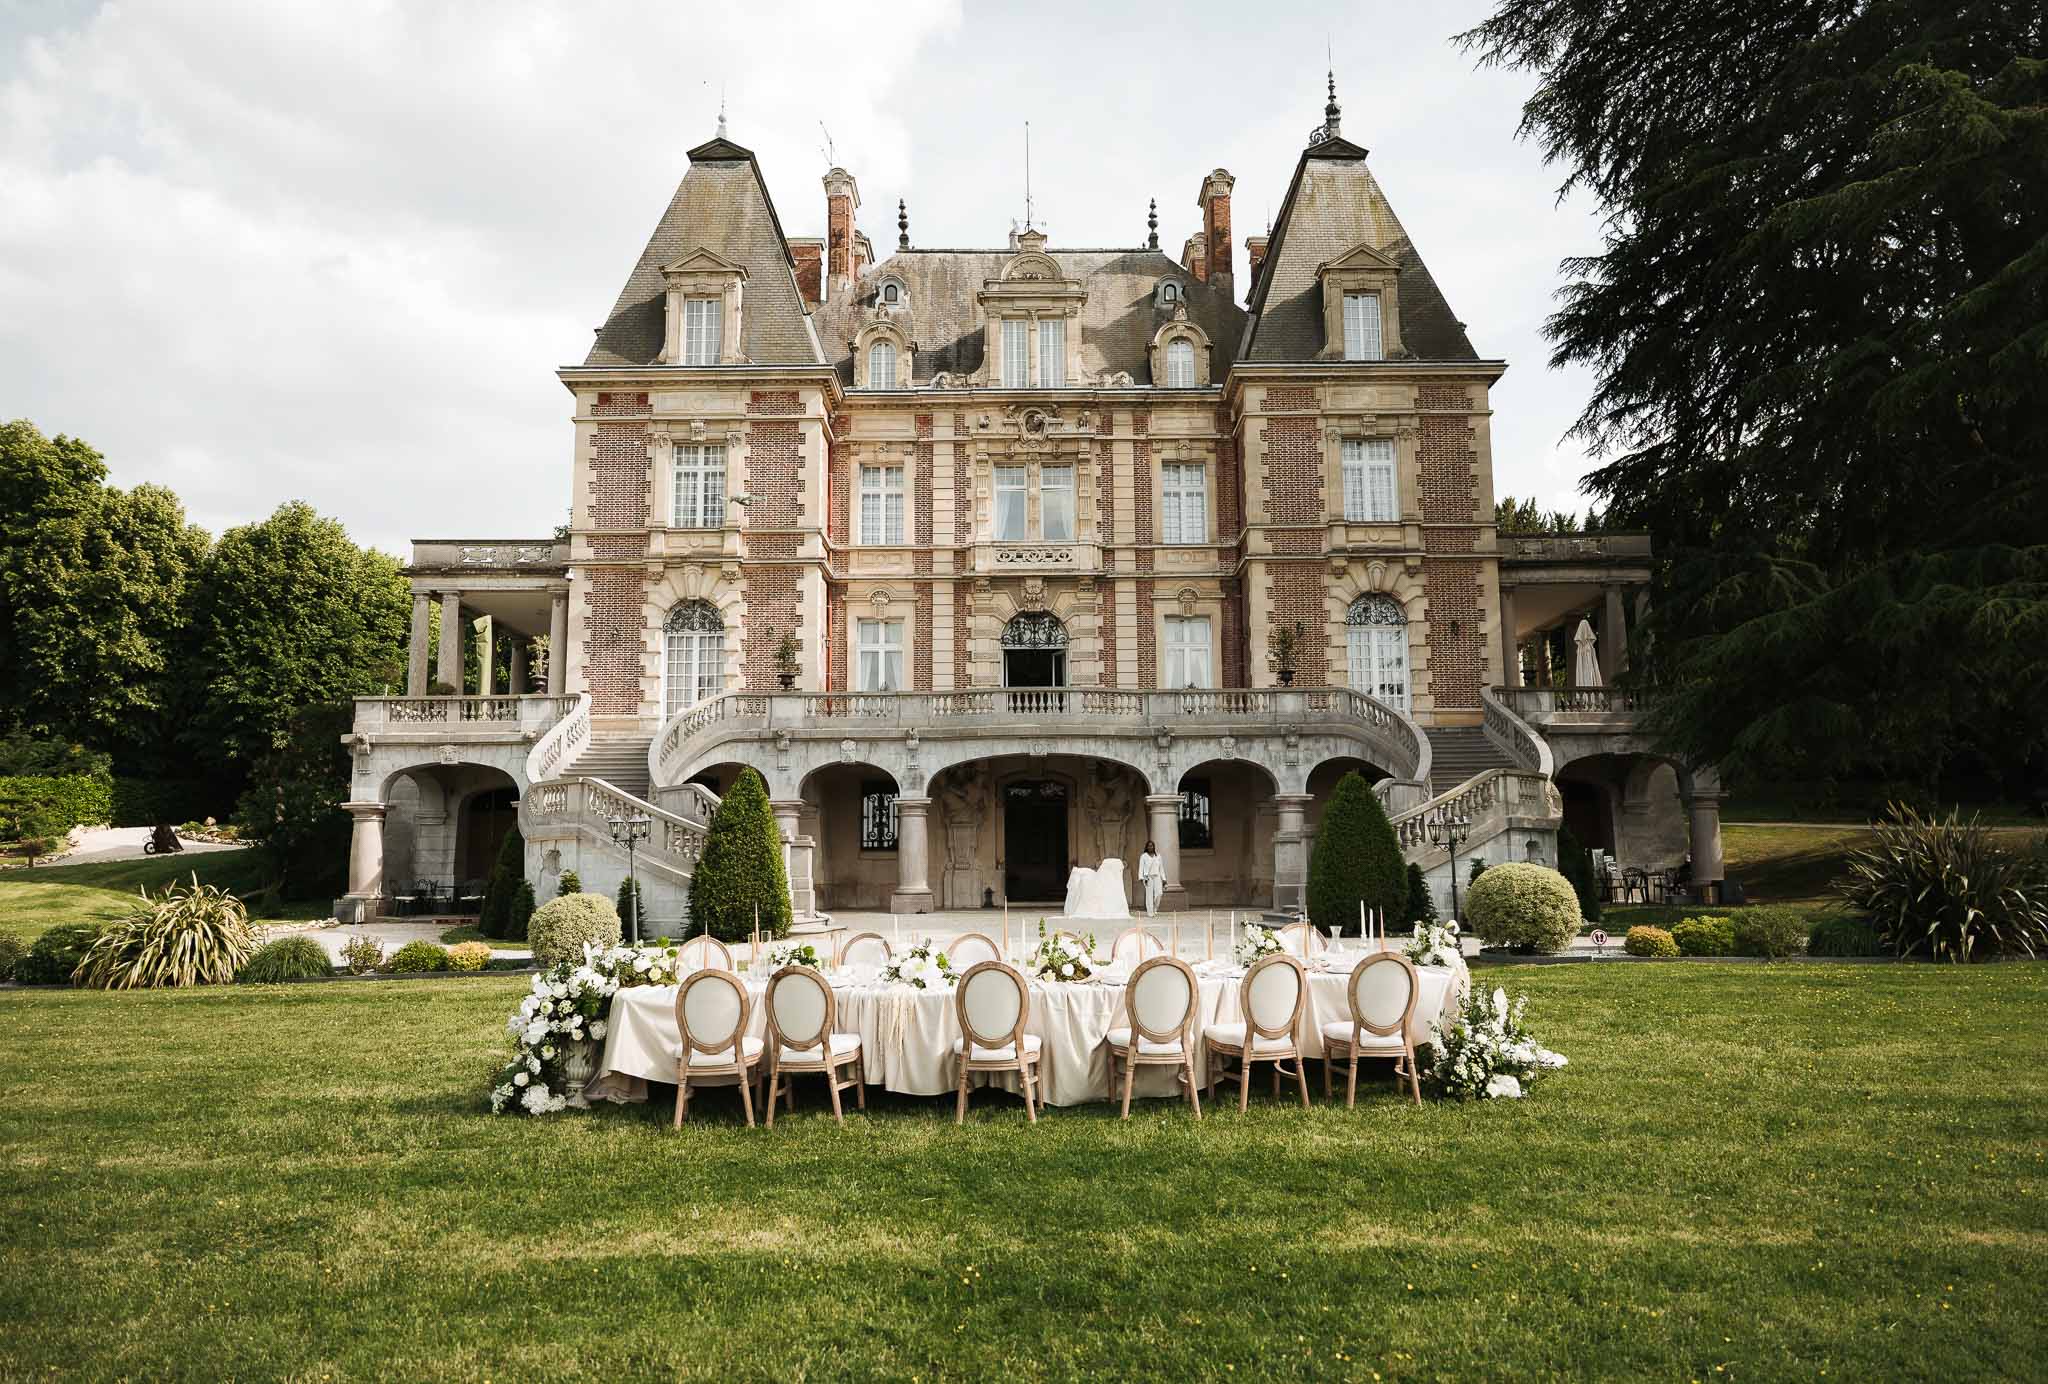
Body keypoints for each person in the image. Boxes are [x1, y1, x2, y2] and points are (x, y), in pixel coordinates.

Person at [1137, 840, 1164, 918]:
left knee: (1159, 893)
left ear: (1154, 847)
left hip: (1157, 877)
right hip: (1148, 877)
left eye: (1152, 845)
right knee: (1149, 896)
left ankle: (1155, 908)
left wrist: (1164, 879)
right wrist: (1141, 878)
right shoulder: (1143, 856)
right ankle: (1150, 912)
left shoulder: (1158, 856)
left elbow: (1161, 868)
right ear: (1146, 847)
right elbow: (1141, 867)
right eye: (1149, 846)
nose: (1150, 847)